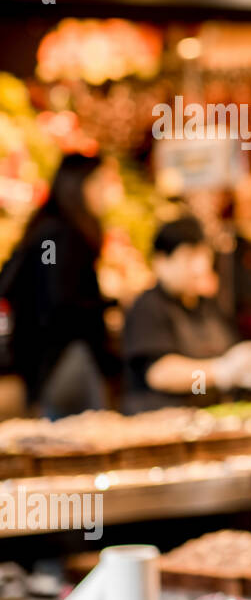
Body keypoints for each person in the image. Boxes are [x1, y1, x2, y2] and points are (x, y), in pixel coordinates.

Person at [122, 216, 251, 413]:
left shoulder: (208, 306)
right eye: (189, 257)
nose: (199, 267)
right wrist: (220, 371)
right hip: (162, 421)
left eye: (203, 256)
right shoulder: (148, 307)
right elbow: (160, 375)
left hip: (213, 417)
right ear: (162, 261)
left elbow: (231, 350)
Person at [0, 153, 122, 417]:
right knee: (81, 442)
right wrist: (111, 303)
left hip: (48, 360)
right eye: (100, 184)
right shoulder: (58, 236)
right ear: (80, 185)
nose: (106, 194)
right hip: (63, 358)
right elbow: (57, 297)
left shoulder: (47, 230)